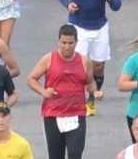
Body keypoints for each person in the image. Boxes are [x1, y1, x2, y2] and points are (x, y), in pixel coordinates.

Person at [56, 0, 122, 114]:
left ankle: (94, 94)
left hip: (99, 26)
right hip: (78, 26)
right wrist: (67, 4)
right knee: (83, 64)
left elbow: (117, 6)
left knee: (98, 65)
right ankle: (83, 98)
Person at [27, 24, 94, 159]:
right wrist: (44, 92)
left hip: (76, 113)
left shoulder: (84, 61)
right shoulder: (49, 59)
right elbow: (31, 79)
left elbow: (89, 82)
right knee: (56, 155)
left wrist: (95, 92)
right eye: (64, 42)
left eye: (71, 43)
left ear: (76, 42)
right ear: (58, 41)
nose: (67, 46)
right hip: (53, 114)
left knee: (75, 153)